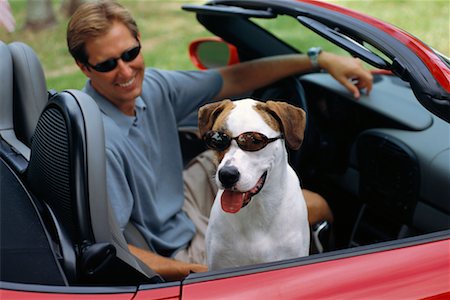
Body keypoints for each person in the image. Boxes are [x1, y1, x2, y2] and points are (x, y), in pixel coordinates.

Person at [67, 1, 372, 281]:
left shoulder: (153, 86)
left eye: (131, 54)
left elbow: (234, 80)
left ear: (138, 45)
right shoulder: (101, 141)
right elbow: (112, 247)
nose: (125, 71)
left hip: (180, 197)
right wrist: (209, 274)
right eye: (107, 65)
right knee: (316, 206)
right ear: (84, 68)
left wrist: (317, 59)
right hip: (173, 245)